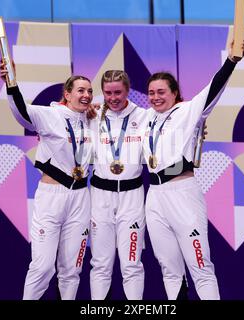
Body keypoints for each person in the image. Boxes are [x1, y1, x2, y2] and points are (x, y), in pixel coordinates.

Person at [143, 42, 244, 300]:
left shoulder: (189, 111)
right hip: (154, 195)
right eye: (151, 92)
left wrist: (231, 61)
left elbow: (215, 87)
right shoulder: (146, 117)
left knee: (200, 267)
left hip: (182, 193)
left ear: (175, 92)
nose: (156, 97)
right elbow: (112, 113)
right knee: (169, 268)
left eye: (161, 92)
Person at [0, 61, 94, 300]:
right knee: (42, 267)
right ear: (67, 94)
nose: (86, 95)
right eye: (80, 90)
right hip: (51, 197)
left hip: (81, 197)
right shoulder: (50, 114)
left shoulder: (94, 120)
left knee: (72, 269)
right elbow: (22, 112)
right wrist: (11, 83)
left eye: (90, 91)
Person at [88, 70, 147, 300]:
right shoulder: (91, 116)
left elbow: (172, 122)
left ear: (128, 90)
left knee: (132, 263)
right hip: (100, 197)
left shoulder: (142, 116)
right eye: (108, 93)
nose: (113, 98)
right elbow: (60, 112)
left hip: (132, 196)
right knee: (100, 264)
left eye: (118, 93)